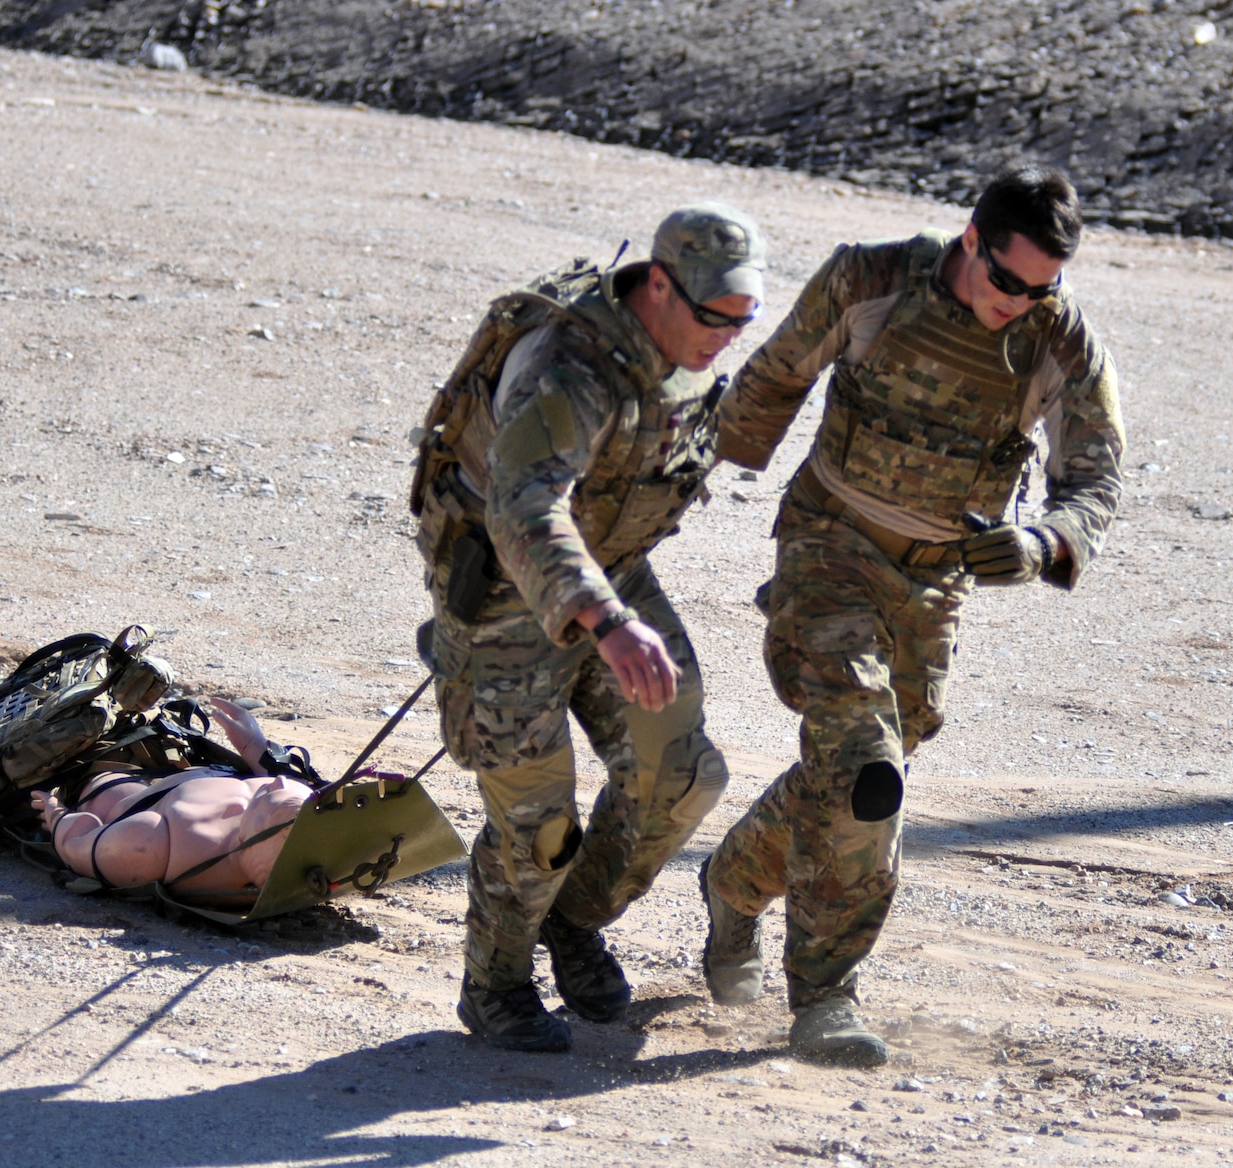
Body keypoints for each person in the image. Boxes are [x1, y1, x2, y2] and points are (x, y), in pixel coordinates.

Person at [698, 167, 1125, 1066]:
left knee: (856, 779)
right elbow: (776, 378)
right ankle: (824, 996)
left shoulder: (1059, 339)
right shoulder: (872, 282)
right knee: (863, 763)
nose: (1020, 304)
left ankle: (733, 883)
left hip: (935, 579)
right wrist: (677, 479)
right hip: (828, 543)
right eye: (1006, 282)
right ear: (971, 240)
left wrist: (1042, 543)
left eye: (1042, 289)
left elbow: (1093, 480)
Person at [410, 204, 766, 1052]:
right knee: (540, 829)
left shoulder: (687, 350)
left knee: (681, 777)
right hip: (504, 594)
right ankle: (495, 982)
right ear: (657, 287)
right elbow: (522, 503)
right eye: (715, 318)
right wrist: (607, 623)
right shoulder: (568, 368)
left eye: (742, 320)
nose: (727, 338)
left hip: (611, 574)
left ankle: (570, 923)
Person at [29, 698, 309, 898]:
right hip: (181, 763)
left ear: (249, 837)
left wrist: (56, 814)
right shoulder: (296, 814)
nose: (279, 782)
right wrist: (255, 748)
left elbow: (77, 846)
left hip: (106, 775)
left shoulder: (155, 846)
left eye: (266, 800)